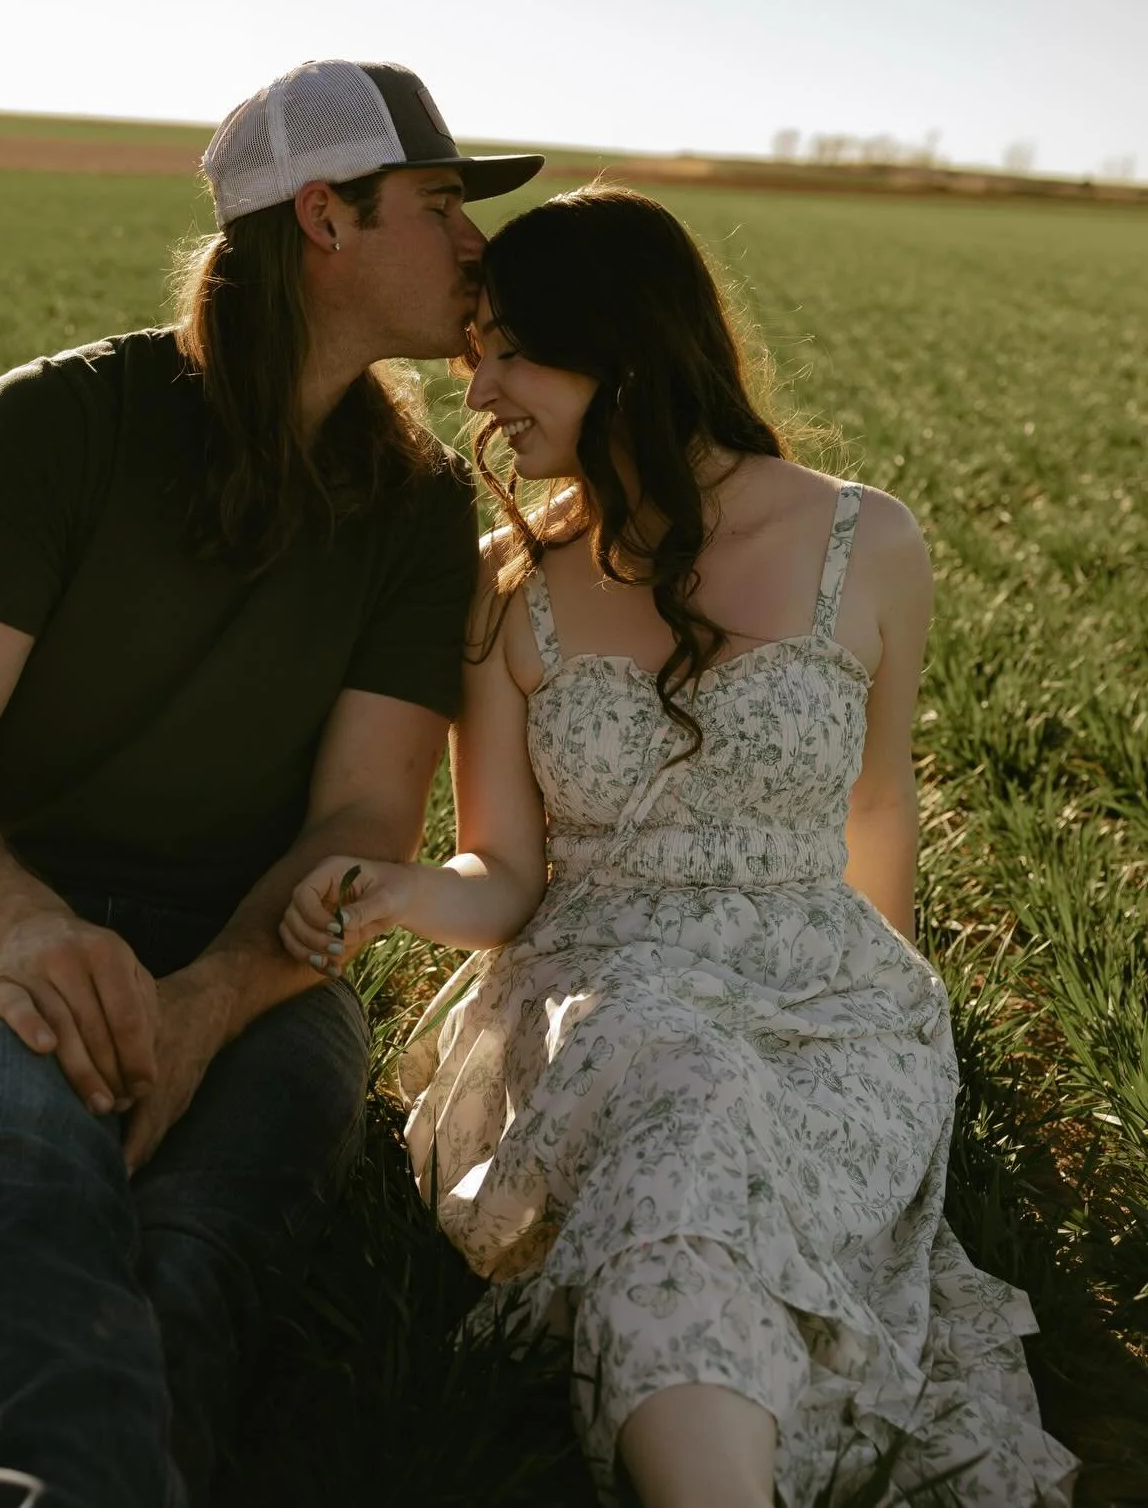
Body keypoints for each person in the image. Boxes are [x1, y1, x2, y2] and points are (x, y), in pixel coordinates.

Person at [279, 187, 1078, 1507]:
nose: (477, 388)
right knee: (680, 1081)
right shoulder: (506, 586)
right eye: (474, 349)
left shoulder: (864, 542)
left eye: (508, 350)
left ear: (624, 351)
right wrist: (392, 888)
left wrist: (898, 1034)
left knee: (723, 1110)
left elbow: (877, 808)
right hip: (595, 1001)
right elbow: (506, 876)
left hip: (827, 1006)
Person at [0, 59, 544, 1507]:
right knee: (33, 1182)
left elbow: (361, 817)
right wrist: (30, 930)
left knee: (195, 1255)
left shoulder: (416, 509)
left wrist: (213, 995)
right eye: (440, 202)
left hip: (267, 980)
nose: (475, 241)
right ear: (326, 216)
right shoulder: (56, 426)